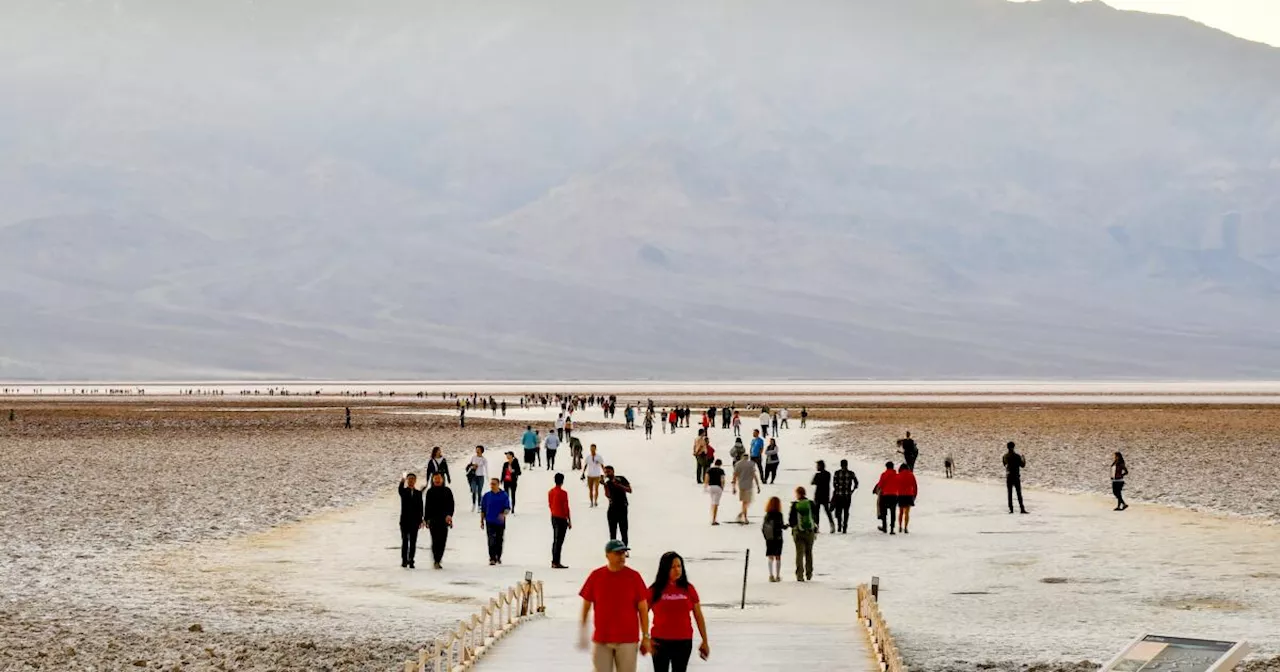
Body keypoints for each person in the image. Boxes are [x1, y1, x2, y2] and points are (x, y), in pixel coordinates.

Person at [579, 540, 652, 672]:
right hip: (602, 639)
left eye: (624, 553)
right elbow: (586, 605)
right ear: (607, 555)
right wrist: (583, 629)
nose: (622, 557)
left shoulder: (634, 577)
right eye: (618, 553)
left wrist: (646, 636)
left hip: (627, 640)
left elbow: (643, 608)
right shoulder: (596, 576)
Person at [648, 551, 710, 671]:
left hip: (683, 641)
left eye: (679, 566)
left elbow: (698, 615)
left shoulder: (689, 589)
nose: (677, 570)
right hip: (660, 642)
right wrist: (645, 637)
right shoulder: (654, 590)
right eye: (673, 567)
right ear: (665, 569)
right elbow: (642, 613)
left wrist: (705, 640)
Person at [423, 472, 455, 569]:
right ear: (433, 480)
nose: (437, 480)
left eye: (439, 478)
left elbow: (451, 505)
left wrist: (449, 515)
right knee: (435, 540)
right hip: (433, 519)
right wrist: (426, 519)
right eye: (435, 478)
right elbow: (427, 506)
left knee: (442, 540)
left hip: (444, 520)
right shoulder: (430, 491)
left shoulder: (447, 491)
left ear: (442, 479)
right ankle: (436, 560)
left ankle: (439, 558)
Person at [787, 487, 818, 582]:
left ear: (798, 494)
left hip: (798, 532)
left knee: (799, 554)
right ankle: (809, 573)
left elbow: (791, 520)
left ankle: (799, 575)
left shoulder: (795, 505)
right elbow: (816, 516)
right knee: (809, 552)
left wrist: (793, 526)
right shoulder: (811, 504)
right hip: (810, 531)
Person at [480, 478, 512, 565]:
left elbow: (507, 508)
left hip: (500, 522)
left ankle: (498, 555)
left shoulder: (504, 495)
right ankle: (492, 558)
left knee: (499, 539)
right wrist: (482, 520)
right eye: (491, 484)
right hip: (489, 521)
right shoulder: (486, 496)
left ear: (498, 485)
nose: (492, 486)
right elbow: (483, 509)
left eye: (494, 484)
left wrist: (503, 514)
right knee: (491, 539)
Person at [398, 473, 425, 568]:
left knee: (413, 542)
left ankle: (411, 560)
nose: (411, 480)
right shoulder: (403, 491)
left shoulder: (418, 493)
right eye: (409, 479)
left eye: (413, 479)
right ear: (407, 480)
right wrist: (403, 478)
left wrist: (422, 519)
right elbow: (400, 487)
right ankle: (404, 560)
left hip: (415, 521)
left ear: (415, 480)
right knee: (405, 540)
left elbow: (421, 507)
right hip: (404, 520)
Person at [604, 465, 633, 546]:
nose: (607, 474)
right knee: (612, 530)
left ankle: (624, 548)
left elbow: (630, 490)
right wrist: (605, 486)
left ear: (613, 471)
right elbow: (608, 495)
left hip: (622, 507)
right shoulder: (607, 482)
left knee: (623, 529)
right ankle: (613, 549)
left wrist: (619, 485)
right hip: (612, 508)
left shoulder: (621, 478)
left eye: (608, 472)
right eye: (606, 472)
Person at [550, 473, 573, 568]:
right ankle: (556, 561)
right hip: (561, 518)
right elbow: (565, 507)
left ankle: (554, 561)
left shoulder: (551, 492)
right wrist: (569, 520)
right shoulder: (563, 493)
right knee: (559, 541)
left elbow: (550, 504)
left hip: (554, 517)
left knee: (555, 540)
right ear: (562, 481)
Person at [732, 451, 761, 524]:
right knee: (747, 502)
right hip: (749, 485)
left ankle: (742, 514)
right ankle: (744, 517)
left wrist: (734, 487)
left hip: (741, 485)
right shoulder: (751, 464)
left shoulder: (738, 464)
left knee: (744, 502)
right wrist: (758, 485)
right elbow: (754, 475)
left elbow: (734, 476)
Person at [762, 496, 786, 582]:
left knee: (770, 557)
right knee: (778, 556)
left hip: (769, 538)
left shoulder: (767, 515)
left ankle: (771, 575)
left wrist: (766, 537)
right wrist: (785, 526)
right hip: (778, 537)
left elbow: (763, 527)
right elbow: (781, 525)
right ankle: (778, 575)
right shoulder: (779, 515)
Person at [831, 459, 859, 534]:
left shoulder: (837, 473)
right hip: (847, 496)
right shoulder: (851, 473)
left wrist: (837, 489)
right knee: (846, 511)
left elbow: (834, 484)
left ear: (841, 465)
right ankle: (845, 527)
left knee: (839, 511)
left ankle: (839, 525)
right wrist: (852, 490)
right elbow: (856, 483)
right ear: (847, 464)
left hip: (839, 495)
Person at [810, 461, 836, 533]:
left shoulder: (818, 475)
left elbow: (812, 482)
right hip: (825, 495)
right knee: (827, 511)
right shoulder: (828, 474)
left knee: (816, 512)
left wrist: (816, 479)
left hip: (818, 496)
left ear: (821, 466)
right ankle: (832, 525)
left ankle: (816, 527)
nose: (816, 467)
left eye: (817, 466)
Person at [873, 461, 899, 534]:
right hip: (894, 495)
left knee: (883, 511)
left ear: (886, 467)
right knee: (893, 512)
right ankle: (892, 529)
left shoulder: (884, 474)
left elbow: (880, 485)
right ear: (893, 467)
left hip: (885, 495)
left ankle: (884, 527)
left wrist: (877, 491)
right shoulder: (897, 475)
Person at [1003, 442, 1028, 514]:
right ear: (1014, 447)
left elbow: (1004, 464)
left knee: (1009, 493)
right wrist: (1023, 458)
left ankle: (1011, 509)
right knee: (1019, 493)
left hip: (1009, 476)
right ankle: (1022, 509)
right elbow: (1022, 465)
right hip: (1016, 476)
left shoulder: (1005, 456)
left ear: (1007, 447)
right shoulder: (1017, 456)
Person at [466, 446, 489, 512]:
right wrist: (472, 466)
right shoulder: (473, 457)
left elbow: (486, 468)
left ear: (481, 451)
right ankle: (473, 504)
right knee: (473, 490)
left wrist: (487, 476)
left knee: (479, 492)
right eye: (476, 449)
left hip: (481, 476)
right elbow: (469, 465)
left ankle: (479, 505)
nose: (477, 451)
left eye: (478, 449)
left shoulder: (484, 459)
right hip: (473, 476)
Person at [704, 459, 726, 525]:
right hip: (718, 487)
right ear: (720, 464)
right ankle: (713, 520)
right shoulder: (721, 471)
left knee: (713, 501)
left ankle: (712, 516)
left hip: (710, 487)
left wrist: (705, 486)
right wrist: (722, 487)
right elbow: (722, 479)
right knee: (716, 504)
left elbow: (706, 478)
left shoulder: (709, 469)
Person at [897, 463, 917, 534]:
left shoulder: (898, 475)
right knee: (907, 513)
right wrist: (914, 495)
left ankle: (899, 527)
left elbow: (896, 485)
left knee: (901, 512)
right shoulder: (911, 475)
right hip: (909, 495)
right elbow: (915, 486)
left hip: (901, 495)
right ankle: (905, 527)